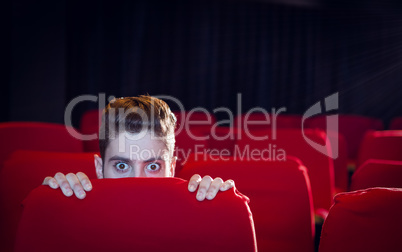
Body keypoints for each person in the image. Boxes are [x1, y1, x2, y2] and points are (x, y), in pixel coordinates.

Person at [43, 95, 234, 201]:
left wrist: (220, 208)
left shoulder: (196, 220)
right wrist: (53, 205)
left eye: (152, 167)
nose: (137, 181)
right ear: (99, 169)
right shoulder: (74, 216)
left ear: (172, 169)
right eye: (121, 166)